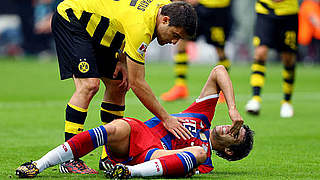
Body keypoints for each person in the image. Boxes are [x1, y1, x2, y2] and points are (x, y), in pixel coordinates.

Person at [15, 65, 254, 178]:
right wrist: (233, 109)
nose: (229, 127)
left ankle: (128, 172)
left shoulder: (208, 161)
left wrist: (189, 166)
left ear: (229, 152)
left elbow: (188, 168)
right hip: (138, 135)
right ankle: (39, 164)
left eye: (235, 134)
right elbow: (219, 70)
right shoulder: (203, 116)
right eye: (235, 126)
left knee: (199, 153)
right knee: (116, 126)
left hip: (154, 156)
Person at [51, 0, 197, 173]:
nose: (174, 41)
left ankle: (109, 157)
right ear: (165, 20)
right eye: (175, 35)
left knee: (118, 85)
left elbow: (123, 16)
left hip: (106, 30)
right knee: (89, 85)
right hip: (75, 18)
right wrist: (166, 118)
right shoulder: (141, 27)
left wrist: (121, 59)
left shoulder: (164, 7)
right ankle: (70, 159)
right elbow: (138, 83)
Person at [160, 0, 233, 103]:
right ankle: (180, 86)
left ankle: (223, 91)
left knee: (220, 49)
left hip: (217, 9)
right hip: (198, 8)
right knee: (181, 40)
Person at [245, 0, 299, 118]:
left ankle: (287, 102)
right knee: (260, 52)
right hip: (265, 11)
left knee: (288, 58)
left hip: (288, 12)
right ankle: (255, 98)